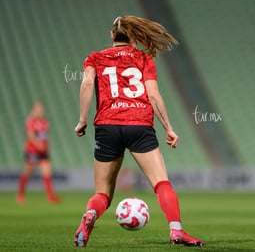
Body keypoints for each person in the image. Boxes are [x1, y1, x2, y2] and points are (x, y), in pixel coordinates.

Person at [73, 15, 205, 247]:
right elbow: (153, 95)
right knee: (161, 183)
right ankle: (176, 231)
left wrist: (82, 120)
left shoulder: (95, 58)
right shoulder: (143, 58)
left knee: (103, 193)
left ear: (112, 36)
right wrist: (169, 128)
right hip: (139, 124)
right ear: (134, 36)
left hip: (107, 126)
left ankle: (90, 216)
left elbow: (86, 84)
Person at [16, 101, 60, 204]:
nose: (40, 111)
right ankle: (20, 194)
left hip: (43, 153)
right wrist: (39, 145)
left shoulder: (45, 121)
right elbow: (31, 136)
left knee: (47, 173)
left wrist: (46, 147)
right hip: (32, 151)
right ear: (34, 110)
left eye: (41, 108)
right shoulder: (30, 121)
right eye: (38, 109)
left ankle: (51, 196)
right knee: (27, 173)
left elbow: (46, 137)